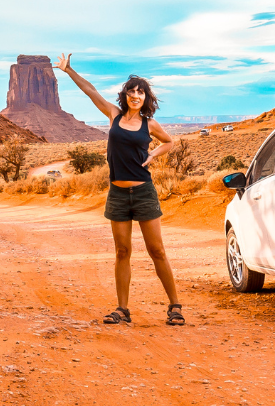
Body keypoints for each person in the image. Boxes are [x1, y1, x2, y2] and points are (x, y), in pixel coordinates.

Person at [55, 54, 185, 326]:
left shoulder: (150, 124)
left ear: (145, 97)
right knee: (122, 251)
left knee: (156, 250)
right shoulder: (113, 115)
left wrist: (153, 156)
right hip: (117, 194)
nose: (135, 95)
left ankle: (174, 306)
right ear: (124, 95)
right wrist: (69, 71)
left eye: (140, 92)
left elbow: (169, 142)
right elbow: (91, 91)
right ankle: (122, 310)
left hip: (143, 192)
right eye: (131, 91)